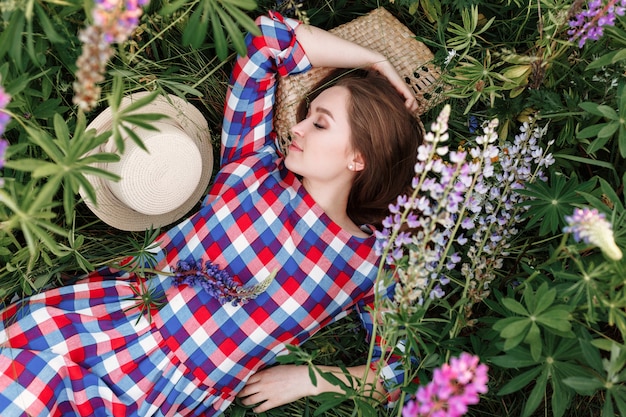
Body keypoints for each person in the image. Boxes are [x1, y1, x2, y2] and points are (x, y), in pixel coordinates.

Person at [0, 11, 423, 417]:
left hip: (168, 397)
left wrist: (313, 379)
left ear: (359, 158)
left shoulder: (371, 264)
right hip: (99, 325)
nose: (297, 127)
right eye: (307, 116)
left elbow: (401, 373)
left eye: (321, 123)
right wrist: (372, 59)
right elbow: (265, 38)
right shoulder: (253, 165)